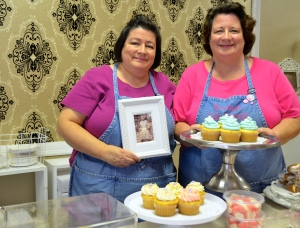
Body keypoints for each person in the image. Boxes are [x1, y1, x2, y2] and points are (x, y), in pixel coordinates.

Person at [174, 2, 300, 195]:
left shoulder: (270, 72)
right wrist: (191, 134)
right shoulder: (192, 75)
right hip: (198, 191)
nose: (226, 37)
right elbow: (176, 123)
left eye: (233, 30)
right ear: (209, 37)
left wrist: (275, 136)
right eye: (218, 31)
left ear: (245, 36)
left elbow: (295, 117)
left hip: (260, 190)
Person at [57, 15, 177, 203]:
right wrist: (106, 152)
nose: (142, 51)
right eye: (135, 43)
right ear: (122, 46)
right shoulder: (97, 78)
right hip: (99, 188)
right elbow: (65, 124)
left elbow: (173, 126)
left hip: (156, 189)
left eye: (150, 46)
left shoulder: (164, 84)